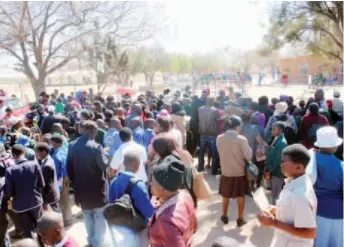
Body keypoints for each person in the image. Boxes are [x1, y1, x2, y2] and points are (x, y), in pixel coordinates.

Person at [258, 144, 316, 247]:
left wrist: (274, 223)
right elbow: (293, 209)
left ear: (298, 167)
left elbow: (310, 232)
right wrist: (276, 209)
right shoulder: (293, 182)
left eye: (283, 162)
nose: (281, 165)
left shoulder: (300, 195)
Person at [67, 121, 110, 247]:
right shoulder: (96, 147)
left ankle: (91, 240)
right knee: (99, 216)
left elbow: (69, 168)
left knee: (87, 215)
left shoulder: (72, 145)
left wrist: (74, 183)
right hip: (97, 189)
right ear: (93, 131)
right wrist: (105, 153)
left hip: (80, 188)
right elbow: (103, 165)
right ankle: (98, 243)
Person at [107, 151, 154, 247]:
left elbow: (111, 202)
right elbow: (148, 212)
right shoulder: (139, 185)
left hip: (118, 224)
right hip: (137, 226)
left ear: (123, 164)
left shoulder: (114, 181)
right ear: (137, 164)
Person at [307, 127, 343, 247]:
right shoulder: (341, 165)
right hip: (339, 214)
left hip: (317, 213)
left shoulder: (310, 161)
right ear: (335, 146)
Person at [148, 159, 197, 247]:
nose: (150, 183)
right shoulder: (185, 194)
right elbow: (194, 224)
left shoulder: (166, 221)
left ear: (164, 188)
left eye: (153, 181)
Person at [5, 144, 45, 246]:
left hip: (20, 206)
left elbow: (9, 192)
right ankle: (43, 244)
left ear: (13, 155)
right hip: (36, 201)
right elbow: (42, 184)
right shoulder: (34, 165)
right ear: (24, 153)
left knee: (28, 231)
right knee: (40, 226)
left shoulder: (9, 171)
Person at [217, 116, 252, 226]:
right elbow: (248, 156)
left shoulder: (219, 138)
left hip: (225, 171)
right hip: (239, 172)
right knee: (240, 196)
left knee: (225, 195)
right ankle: (240, 219)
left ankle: (224, 215)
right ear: (237, 126)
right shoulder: (241, 139)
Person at [51, 135, 73, 226]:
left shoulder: (56, 156)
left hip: (61, 179)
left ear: (55, 143)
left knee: (63, 200)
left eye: (51, 142)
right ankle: (68, 218)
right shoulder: (63, 151)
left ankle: (67, 220)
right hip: (66, 178)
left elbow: (56, 171)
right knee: (66, 198)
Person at [266, 122, 288, 205]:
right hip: (274, 171)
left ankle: (276, 213)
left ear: (280, 130)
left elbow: (278, 160)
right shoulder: (277, 139)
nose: (272, 131)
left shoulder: (282, 143)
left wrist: (269, 170)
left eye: (274, 129)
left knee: (276, 194)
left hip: (276, 172)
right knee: (274, 194)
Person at [35, 142, 60, 211]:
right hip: (53, 194)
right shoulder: (49, 158)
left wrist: (43, 200)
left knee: (53, 218)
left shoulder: (47, 166)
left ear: (43, 152)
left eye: (37, 152)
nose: (36, 154)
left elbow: (47, 186)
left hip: (50, 197)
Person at [198, 96, 218, 174]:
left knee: (201, 151)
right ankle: (214, 170)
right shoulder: (214, 110)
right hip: (212, 133)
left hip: (202, 132)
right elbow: (216, 119)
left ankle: (200, 168)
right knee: (213, 152)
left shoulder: (200, 108)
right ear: (212, 101)